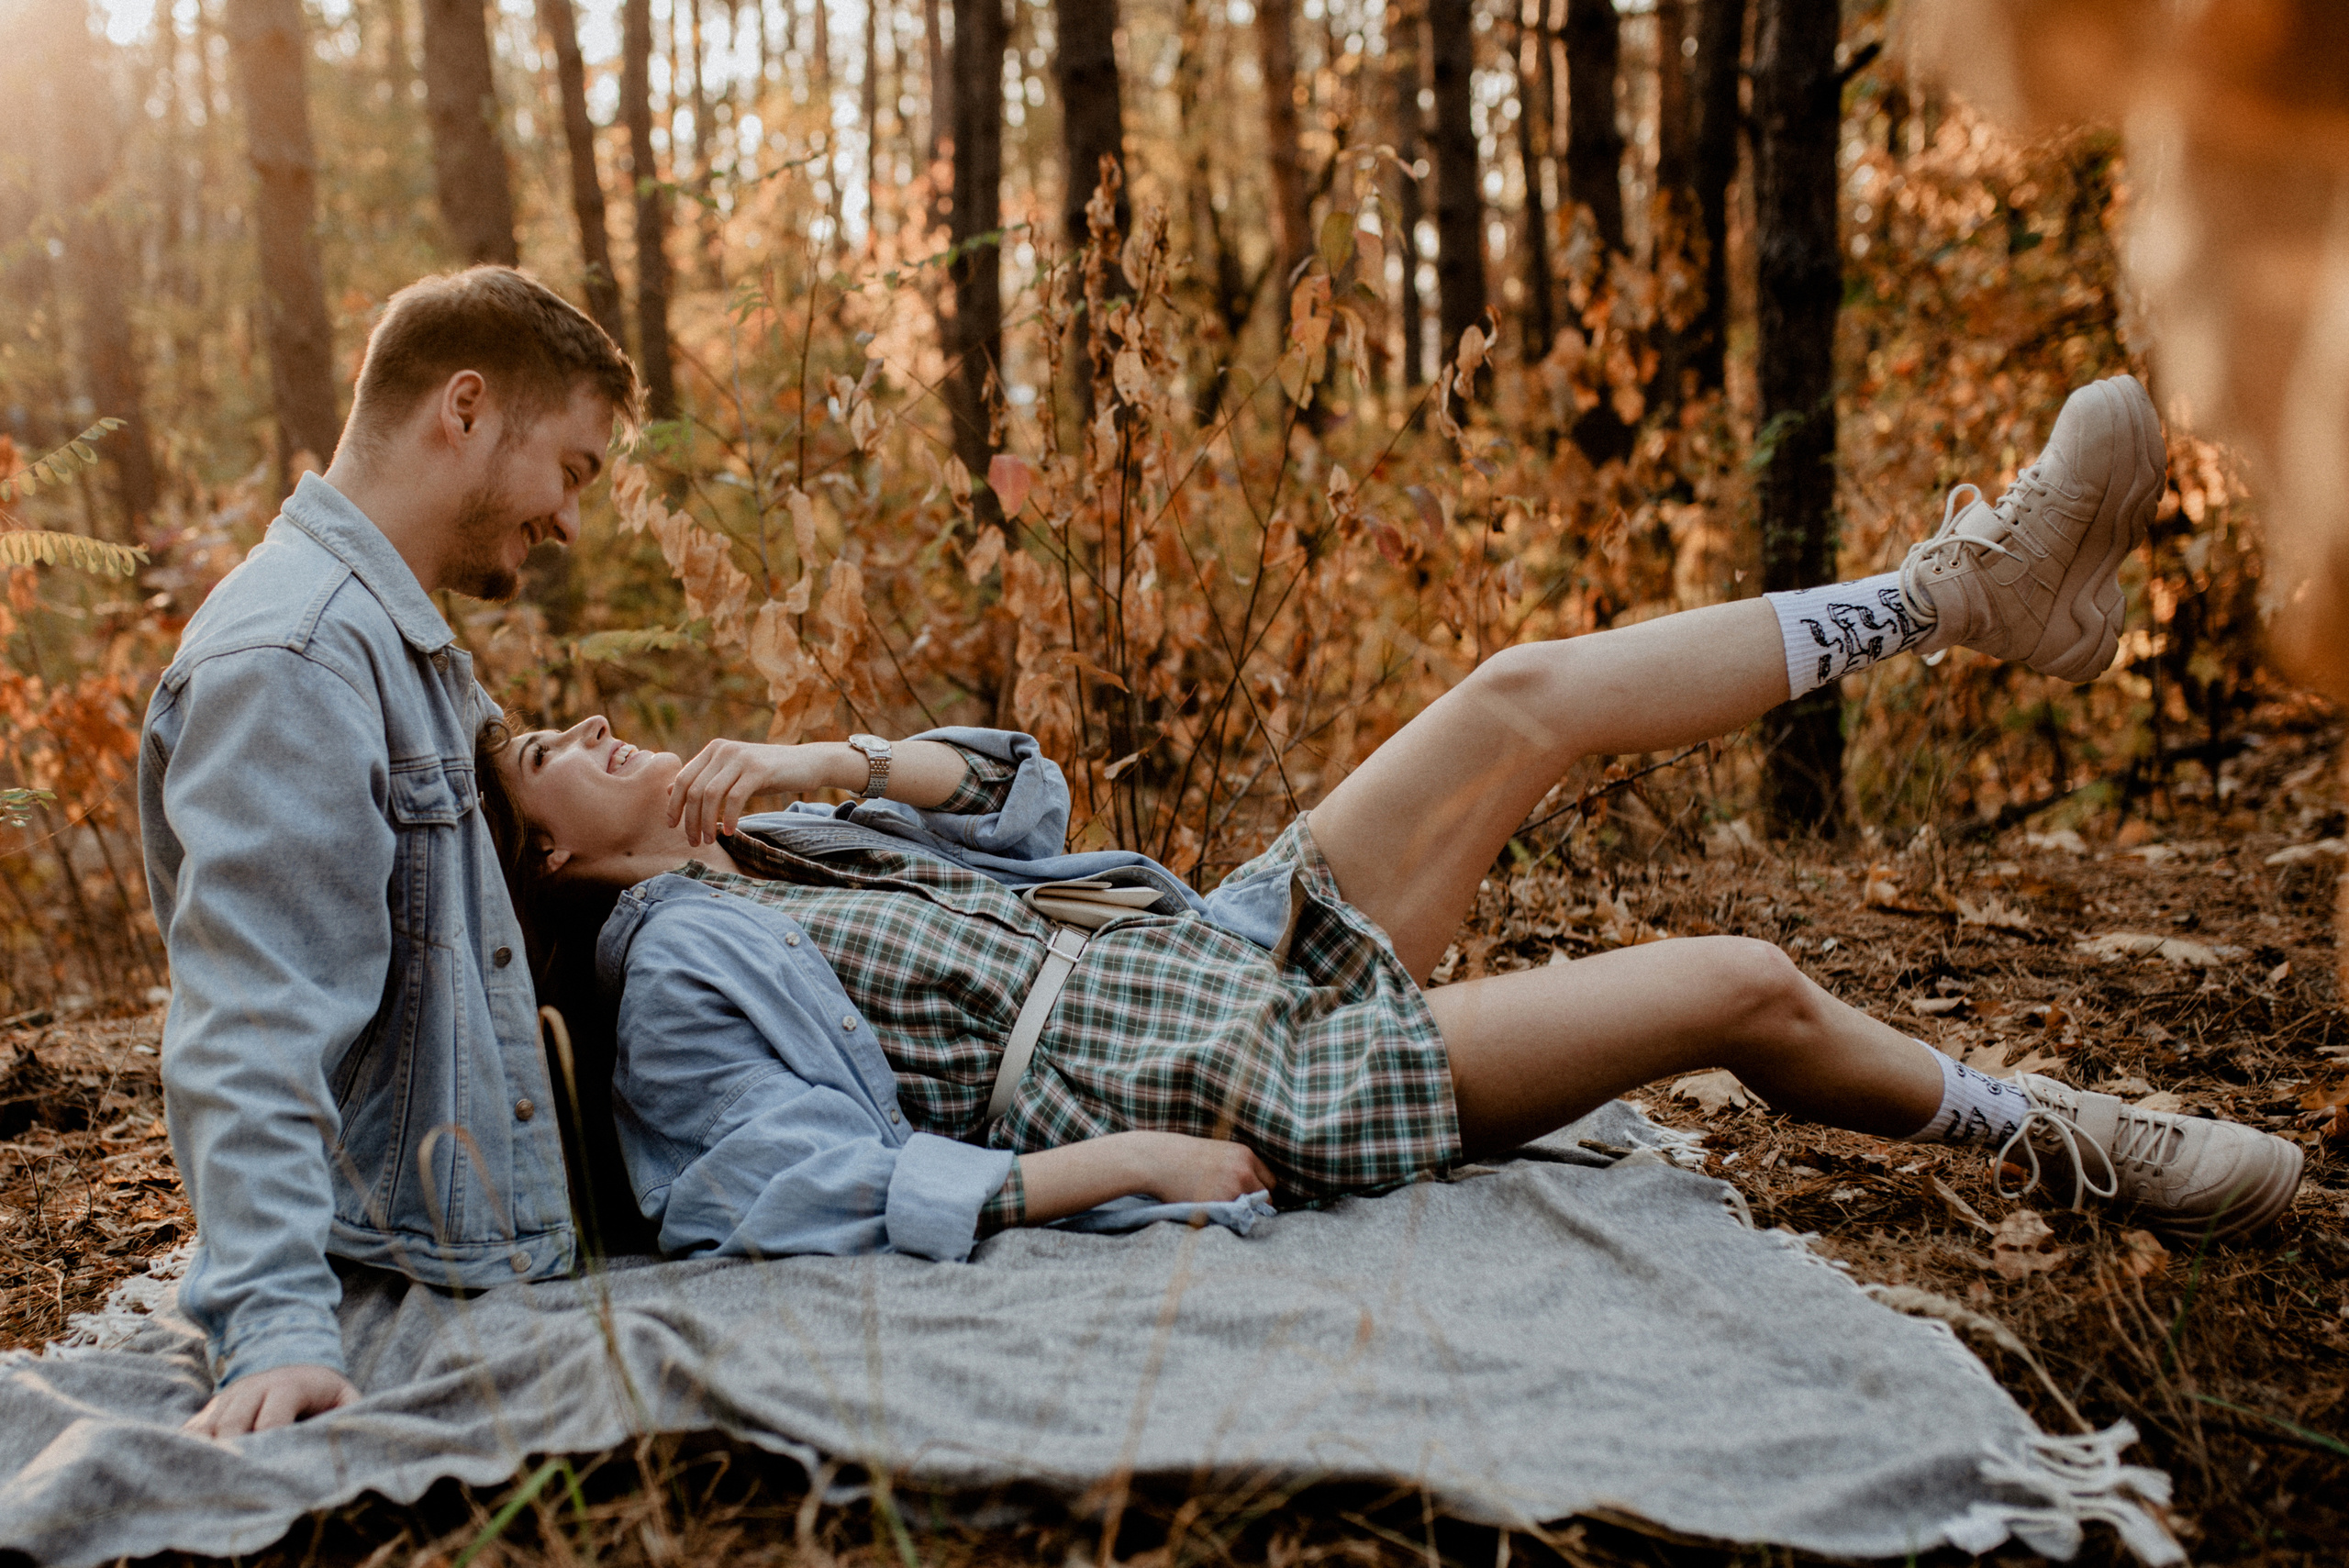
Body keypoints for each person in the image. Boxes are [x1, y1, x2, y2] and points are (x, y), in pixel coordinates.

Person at [482, 374, 2303, 1263]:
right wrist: (1100, 1172)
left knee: (1516, 687)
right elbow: (765, 1182)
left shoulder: (763, 845)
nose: (598, 720)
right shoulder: (660, 978)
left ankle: (1961, 591)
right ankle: (2078, 1138)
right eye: (554, 743)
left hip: (1202, 938)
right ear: (551, 854)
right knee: (1737, 983)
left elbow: (1026, 792)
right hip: (1190, 1073)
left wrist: (829, 763)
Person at [140, 268, 639, 1437]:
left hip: (487, 1225)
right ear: (463, 407)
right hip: (405, 1257)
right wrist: (273, 1329)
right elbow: (255, 1011)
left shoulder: (394, 640)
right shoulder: (297, 656)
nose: (569, 520)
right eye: (571, 469)